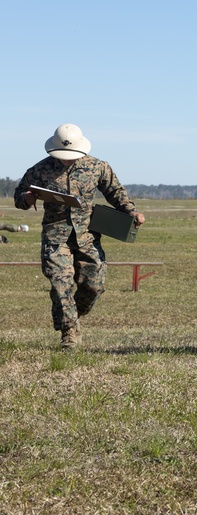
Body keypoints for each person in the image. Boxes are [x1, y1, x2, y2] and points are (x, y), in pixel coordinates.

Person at [13, 124, 145, 349]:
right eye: (62, 157)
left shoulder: (98, 167)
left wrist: (130, 211)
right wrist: (26, 198)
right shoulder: (39, 169)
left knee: (94, 286)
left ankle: (72, 316)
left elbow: (115, 192)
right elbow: (19, 196)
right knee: (60, 284)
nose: (66, 160)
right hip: (56, 238)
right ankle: (69, 334)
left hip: (87, 237)